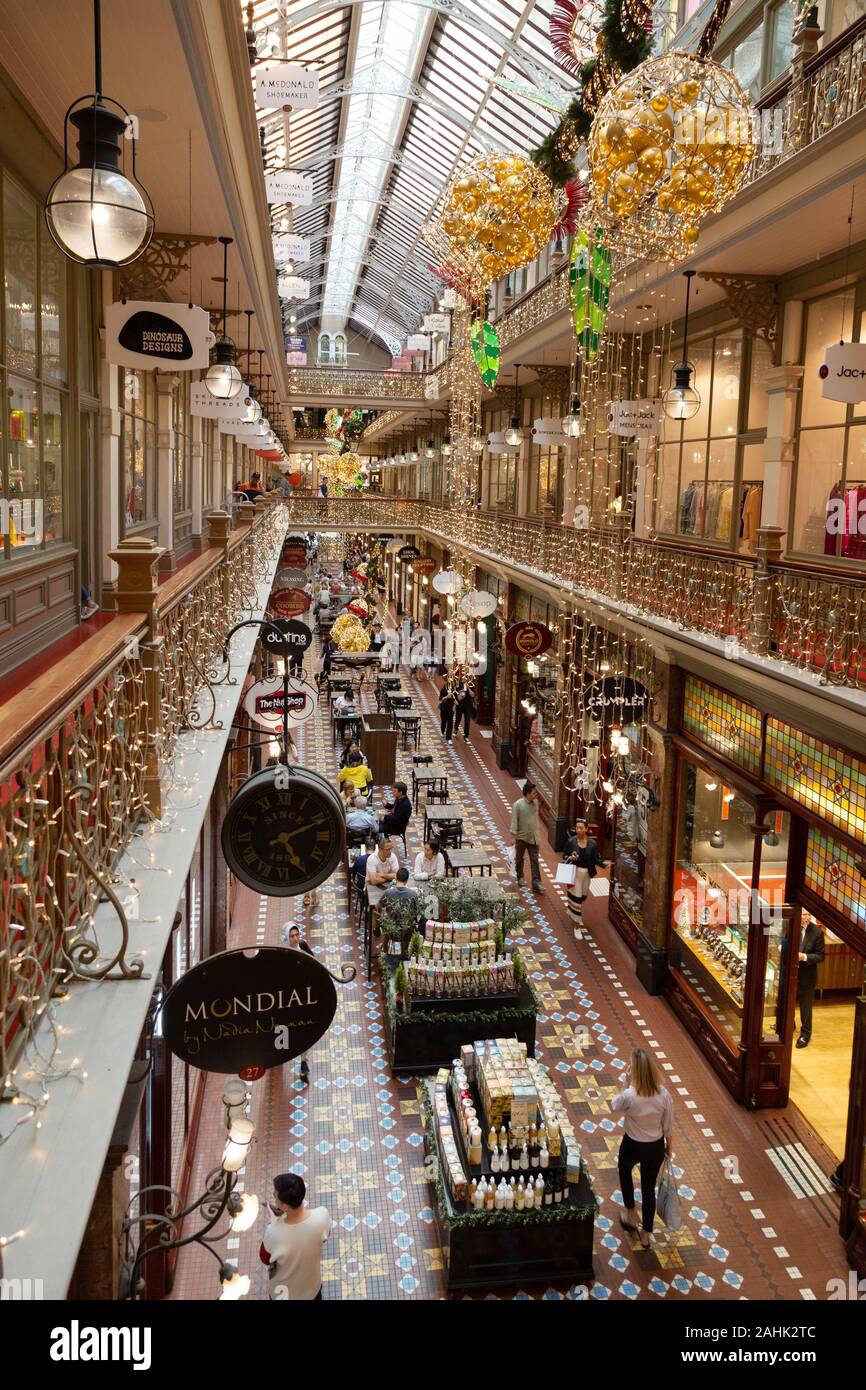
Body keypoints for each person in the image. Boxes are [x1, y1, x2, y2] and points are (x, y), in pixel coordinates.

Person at [610, 1048, 674, 1249]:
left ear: (635, 1071)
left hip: (632, 1144)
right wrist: (669, 1148)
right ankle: (646, 1234)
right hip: (655, 1147)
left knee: (624, 1170)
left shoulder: (630, 1094)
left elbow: (615, 1106)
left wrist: (625, 1082)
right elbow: (668, 1126)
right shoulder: (664, 1095)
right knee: (648, 1188)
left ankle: (630, 1214)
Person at [260, 1172, 330, 1300]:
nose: (273, 1197)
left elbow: (265, 1258)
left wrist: (275, 1223)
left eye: (275, 1196)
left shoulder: (273, 1232)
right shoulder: (322, 1215)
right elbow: (326, 1235)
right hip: (312, 1288)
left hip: (283, 1294)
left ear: (285, 1206)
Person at [283, 923, 315, 1080]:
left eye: (297, 935)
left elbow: (315, 963)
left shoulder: (302, 945)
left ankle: (303, 1061)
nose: (295, 938)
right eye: (292, 936)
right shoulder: (283, 953)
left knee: (304, 1028)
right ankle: (281, 1054)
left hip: (304, 995)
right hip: (289, 999)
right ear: (287, 937)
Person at [563, 819, 605, 934]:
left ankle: (572, 910)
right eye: (577, 828)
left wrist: (603, 864)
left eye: (581, 828)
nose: (579, 830)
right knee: (576, 898)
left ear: (586, 829)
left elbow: (596, 859)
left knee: (582, 896)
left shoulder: (592, 844)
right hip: (575, 872)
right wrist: (571, 857)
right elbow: (564, 855)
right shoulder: (571, 841)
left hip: (587, 873)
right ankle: (577, 926)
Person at [796, 914, 826, 1048]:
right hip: (790, 974)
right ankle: (788, 1025)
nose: (806, 918)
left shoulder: (817, 932)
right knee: (786, 1002)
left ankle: (805, 1034)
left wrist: (804, 957)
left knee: (805, 1008)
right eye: (803, 915)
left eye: (808, 915)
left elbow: (820, 956)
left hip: (807, 977)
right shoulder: (792, 925)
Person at [510, 781, 544, 894]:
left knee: (535, 860)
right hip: (521, 838)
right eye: (534, 793)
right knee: (519, 859)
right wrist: (513, 837)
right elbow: (514, 821)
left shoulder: (536, 803)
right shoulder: (518, 805)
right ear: (527, 794)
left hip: (533, 838)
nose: (536, 795)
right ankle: (520, 877)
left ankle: (536, 883)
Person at [365, 836, 400, 920]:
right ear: (380, 849)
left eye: (391, 848)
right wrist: (389, 876)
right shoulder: (371, 859)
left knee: (397, 903)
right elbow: (373, 881)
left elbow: (397, 875)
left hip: (388, 886)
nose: (390, 852)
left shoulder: (393, 857)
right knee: (377, 906)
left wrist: (381, 875)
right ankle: (375, 928)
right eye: (388, 849)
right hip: (372, 888)